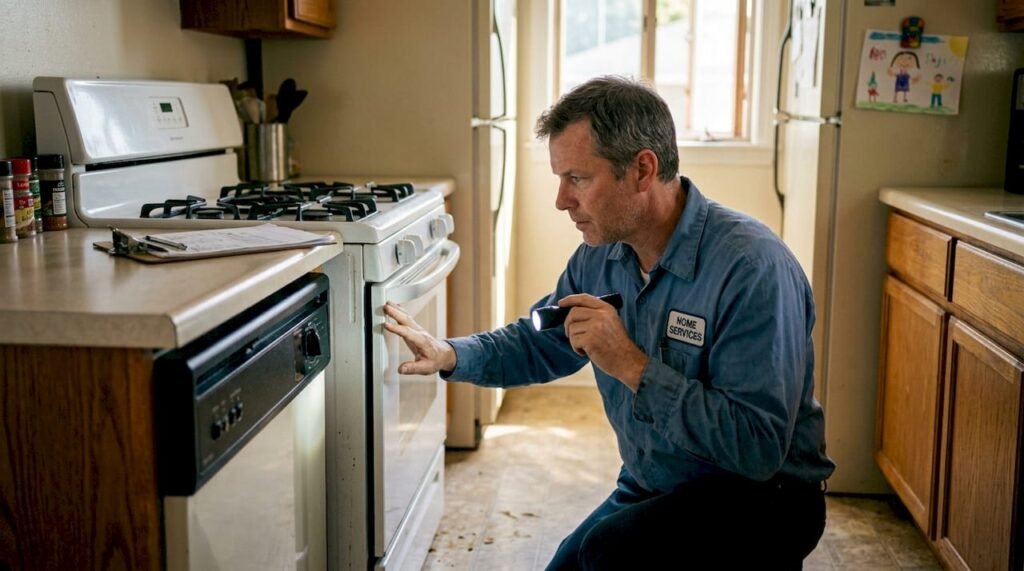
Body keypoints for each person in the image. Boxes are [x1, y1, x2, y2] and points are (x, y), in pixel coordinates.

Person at [384, 76, 835, 570]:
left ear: (642, 169)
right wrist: (449, 354)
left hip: (764, 497)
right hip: (654, 482)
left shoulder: (752, 268)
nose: (561, 200)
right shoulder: (599, 258)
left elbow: (757, 448)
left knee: (610, 555)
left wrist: (632, 365)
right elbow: (540, 342)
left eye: (577, 178)